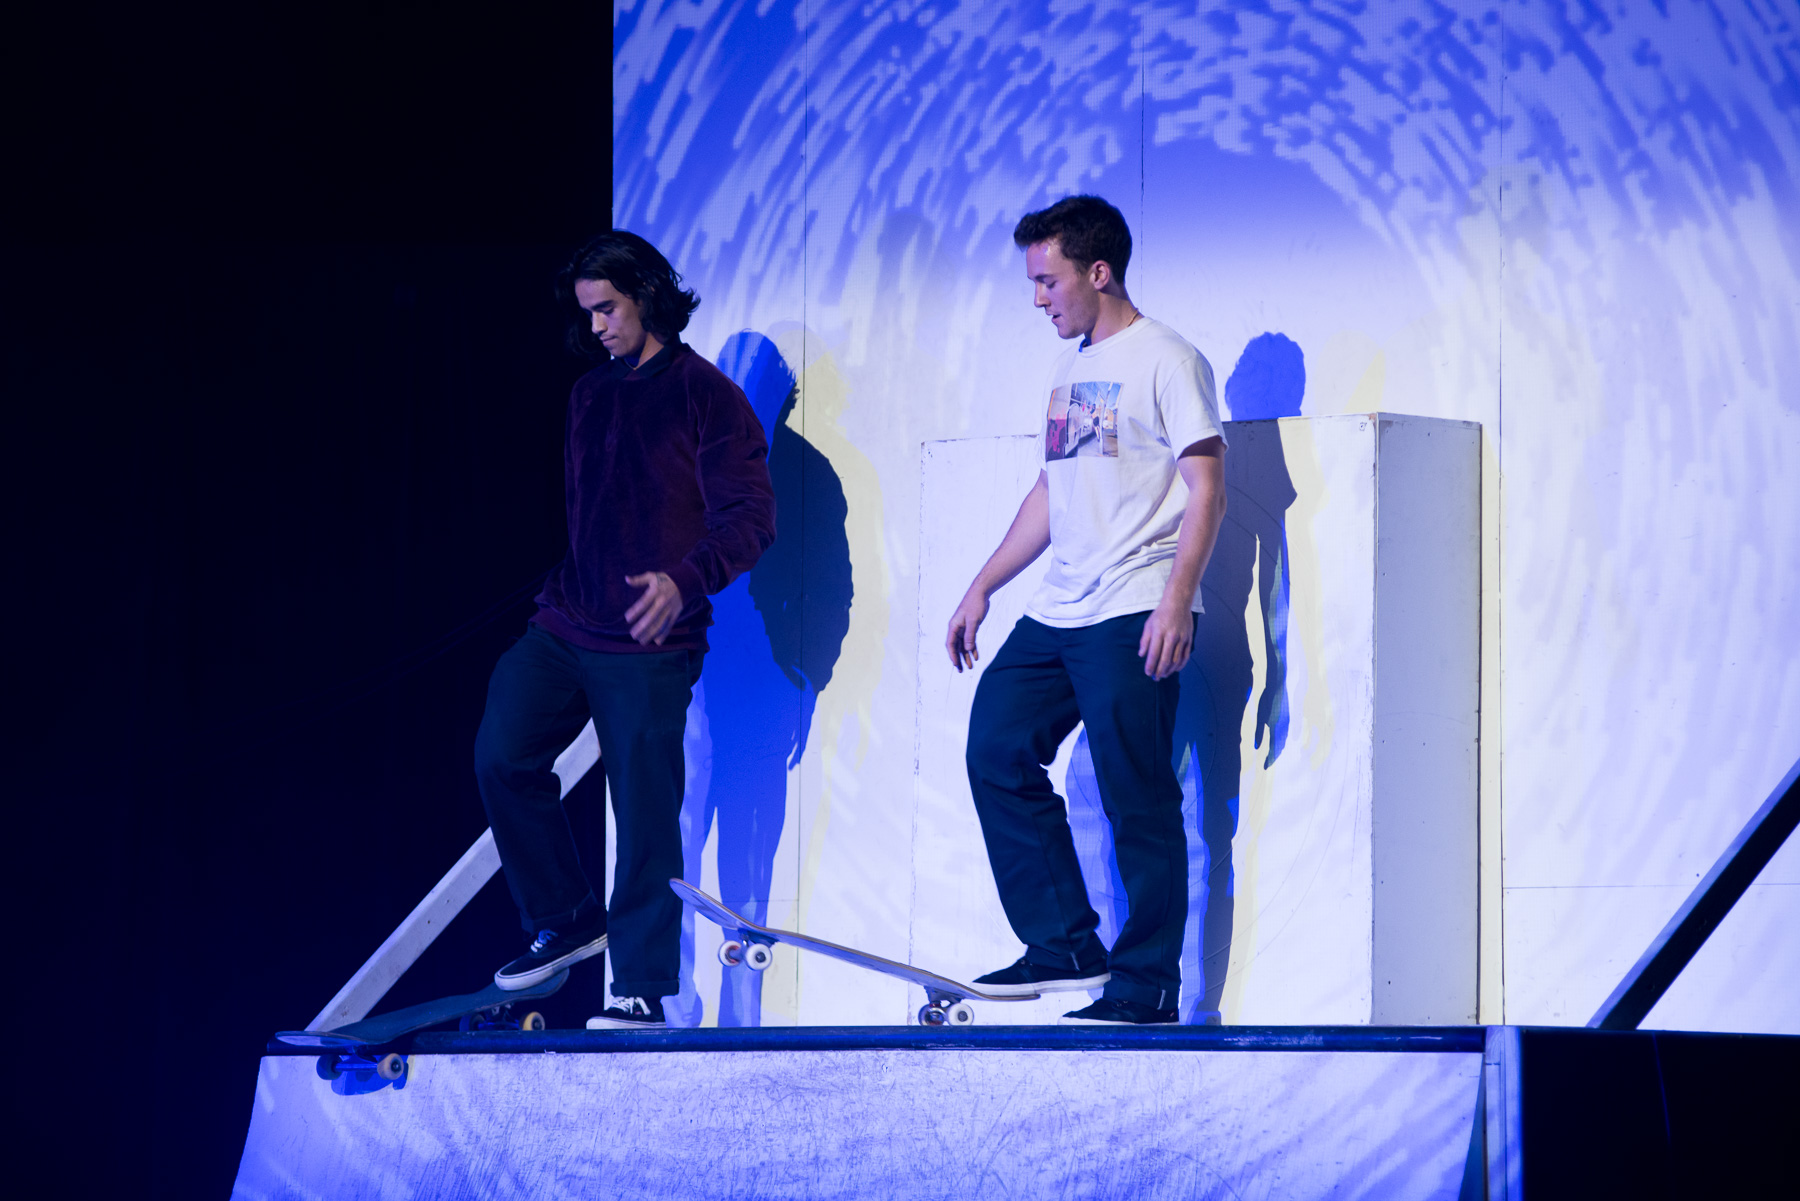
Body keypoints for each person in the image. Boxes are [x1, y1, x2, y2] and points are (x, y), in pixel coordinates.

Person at [474, 231, 776, 1028]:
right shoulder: (589, 394)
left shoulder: (707, 396)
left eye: (607, 307)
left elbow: (750, 518)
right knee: (502, 752)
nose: (598, 326)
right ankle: (567, 917)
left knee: (644, 814)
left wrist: (684, 580)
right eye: (588, 312)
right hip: (568, 619)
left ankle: (641, 989)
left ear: (645, 293)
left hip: (650, 641)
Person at [945, 195, 1227, 1026]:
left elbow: (1207, 488)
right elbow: (1052, 489)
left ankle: (1148, 985)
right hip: (1060, 607)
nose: (1038, 298)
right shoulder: (1070, 369)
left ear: (1097, 272)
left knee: (1136, 794)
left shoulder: (1169, 358)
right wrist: (984, 583)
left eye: (1048, 280)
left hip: (1135, 601)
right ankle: (1065, 945)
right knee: (996, 748)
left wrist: (1177, 601)